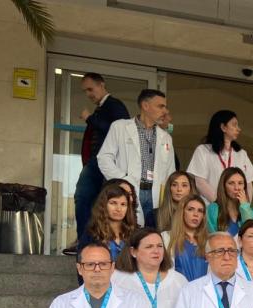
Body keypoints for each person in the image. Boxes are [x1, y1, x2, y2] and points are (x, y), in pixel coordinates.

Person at [97, 89, 176, 228]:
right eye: (160, 106)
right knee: (128, 235)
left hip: (155, 196)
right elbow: (104, 158)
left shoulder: (166, 137)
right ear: (145, 106)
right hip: (128, 191)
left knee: (151, 237)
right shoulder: (120, 127)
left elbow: (171, 171)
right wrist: (122, 179)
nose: (165, 110)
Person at [70, 73, 129, 251]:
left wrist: (90, 118)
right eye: (85, 91)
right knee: (91, 201)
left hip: (103, 162)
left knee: (84, 197)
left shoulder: (114, 105)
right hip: (97, 162)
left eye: (90, 88)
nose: (88, 94)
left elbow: (119, 131)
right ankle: (88, 239)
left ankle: (85, 240)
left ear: (101, 85)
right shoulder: (104, 108)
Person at [187, 110, 253, 202]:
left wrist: (245, 206)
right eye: (234, 125)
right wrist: (219, 205)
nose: (238, 129)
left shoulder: (241, 153)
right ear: (223, 127)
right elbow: (200, 182)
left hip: (237, 211)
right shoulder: (203, 150)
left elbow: (248, 183)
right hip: (211, 209)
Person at [77, 182, 137, 263]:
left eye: (123, 204)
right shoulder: (92, 234)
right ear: (103, 205)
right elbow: (83, 266)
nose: (118, 209)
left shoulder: (135, 233)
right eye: (113, 203)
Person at [163, 195, 209, 281]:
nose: (196, 214)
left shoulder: (209, 242)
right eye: (190, 209)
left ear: (203, 216)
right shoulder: (166, 237)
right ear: (182, 212)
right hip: (177, 291)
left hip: (203, 291)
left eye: (200, 211)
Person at [206, 167, 253, 235]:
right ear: (223, 186)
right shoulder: (213, 209)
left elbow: (252, 233)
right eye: (231, 183)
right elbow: (211, 238)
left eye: (240, 183)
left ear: (244, 186)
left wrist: (244, 206)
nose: (236, 188)